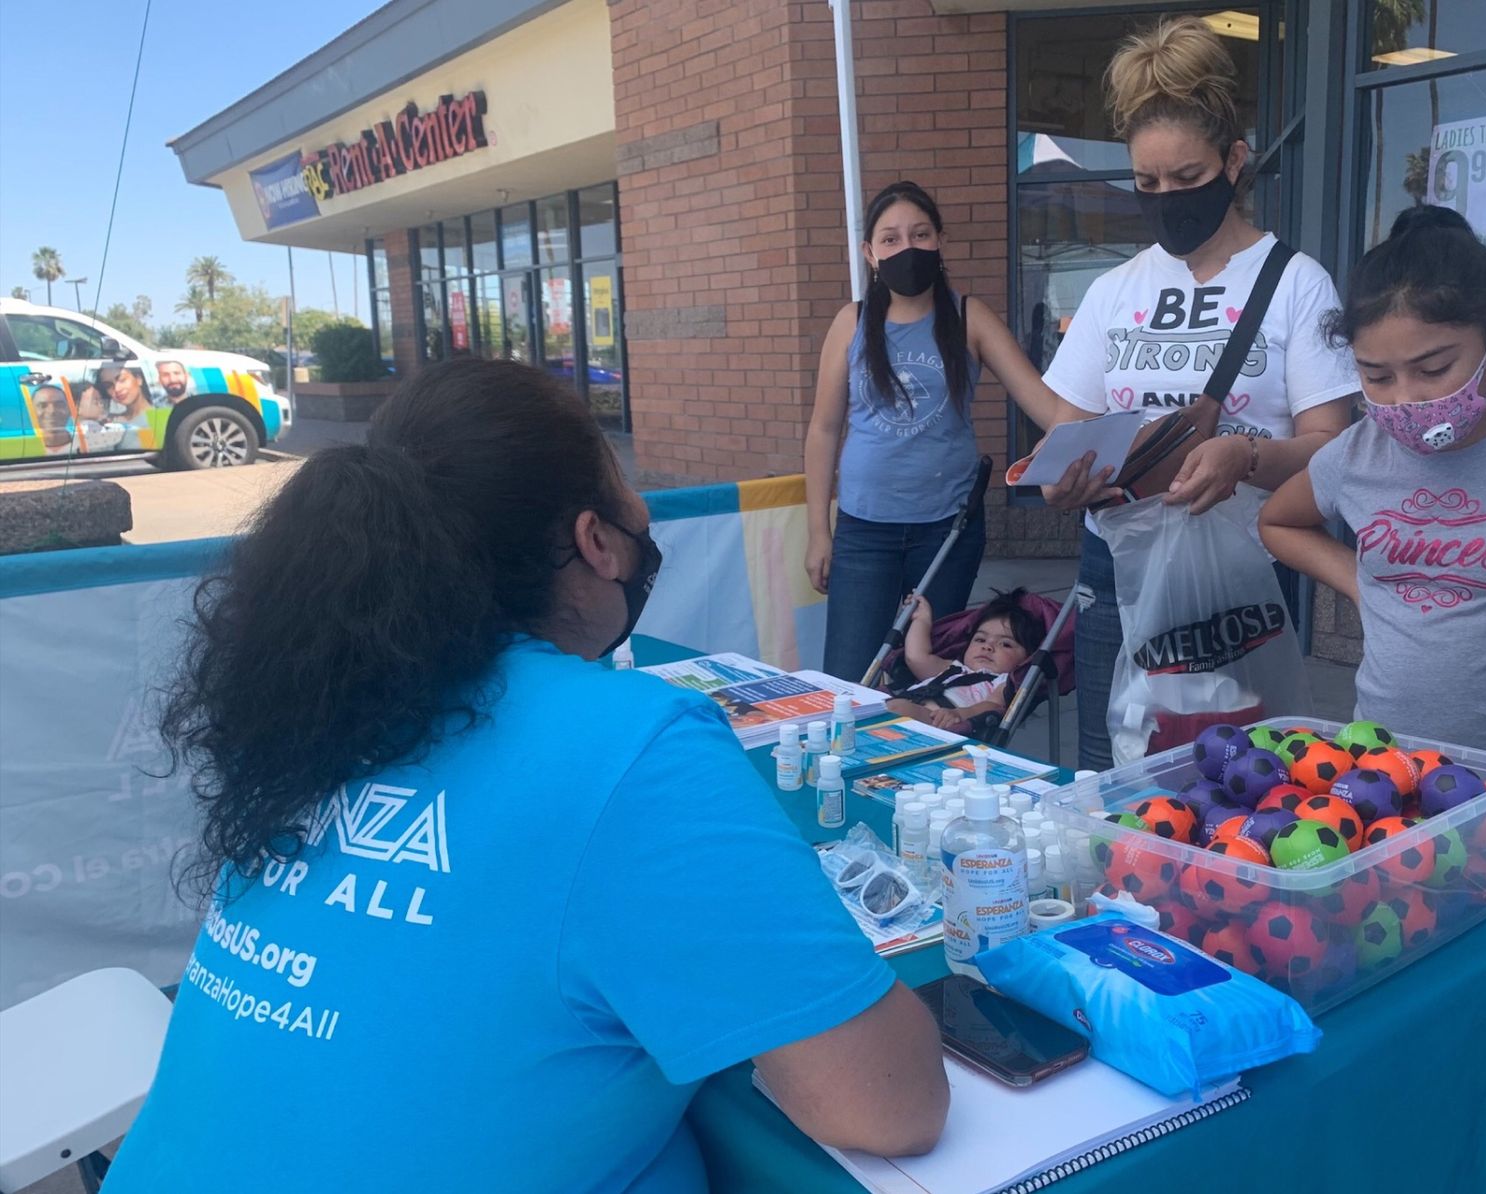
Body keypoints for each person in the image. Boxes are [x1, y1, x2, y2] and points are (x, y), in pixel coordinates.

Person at [104, 361, 948, 1193]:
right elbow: (887, 1106)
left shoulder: (321, 705)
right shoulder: (628, 745)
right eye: (625, 487)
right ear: (595, 541)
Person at [1258, 205, 1486, 1193]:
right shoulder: (1356, 459)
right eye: (1376, 376)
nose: (1404, 396)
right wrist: (1367, 583)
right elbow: (1280, 521)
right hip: (1388, 808)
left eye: (1434, 367)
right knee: (1406, 1026)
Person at [1036, 16, 1358, 769]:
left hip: (1241, 570)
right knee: (1110, 769)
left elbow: (1334, 450)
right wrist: (1066, 483)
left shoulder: (1294, 282)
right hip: (1119, 563)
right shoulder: (1117, 289)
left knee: (1243, 779)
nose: (1166, 198)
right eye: (1146, 183)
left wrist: (1244, 455)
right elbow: (1073, 427)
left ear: (1234, 161)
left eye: (1186, 178)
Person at [804, 180, 1084, 683]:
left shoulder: (968, 316)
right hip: (863, 531)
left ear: (940, 242)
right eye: (890, 239)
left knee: (929, 680)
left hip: (947, 532)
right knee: (847, 680)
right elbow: (823, 430)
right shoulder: (851, 323)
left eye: (920, 234)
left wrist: (1118, 437)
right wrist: (818, 533)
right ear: (869, 253)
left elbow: (1045, 404)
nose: (906, 248)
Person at [886, 588, 1045, 730]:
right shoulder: (952, 668)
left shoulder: (1003, 682)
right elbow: (916, 657)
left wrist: (961, 714)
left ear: (1025, 658)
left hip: (937, 722)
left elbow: (993, 706)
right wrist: (922, 619)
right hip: (904, 704)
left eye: (1005, 644)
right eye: (980, 640)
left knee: (896, 709)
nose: (987, 647)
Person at [100, 363, 155, 449]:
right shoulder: (110, 421)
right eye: (109, 386)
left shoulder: (155, 419)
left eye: (122, 380)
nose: (117, 389)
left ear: (138, 379)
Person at [73, 380, 127, 453]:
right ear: (77, 407)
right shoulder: (90, 429)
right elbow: (121, 430)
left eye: (101, 401)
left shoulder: (70, 433)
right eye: (96, 401)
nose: (101, 405)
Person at [31, 383, 75, 455]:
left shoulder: (87, 445)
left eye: (59, 405)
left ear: (70, 410)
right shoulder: (23, 448)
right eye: (43, 406)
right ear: (31, 411)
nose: (52, 411)